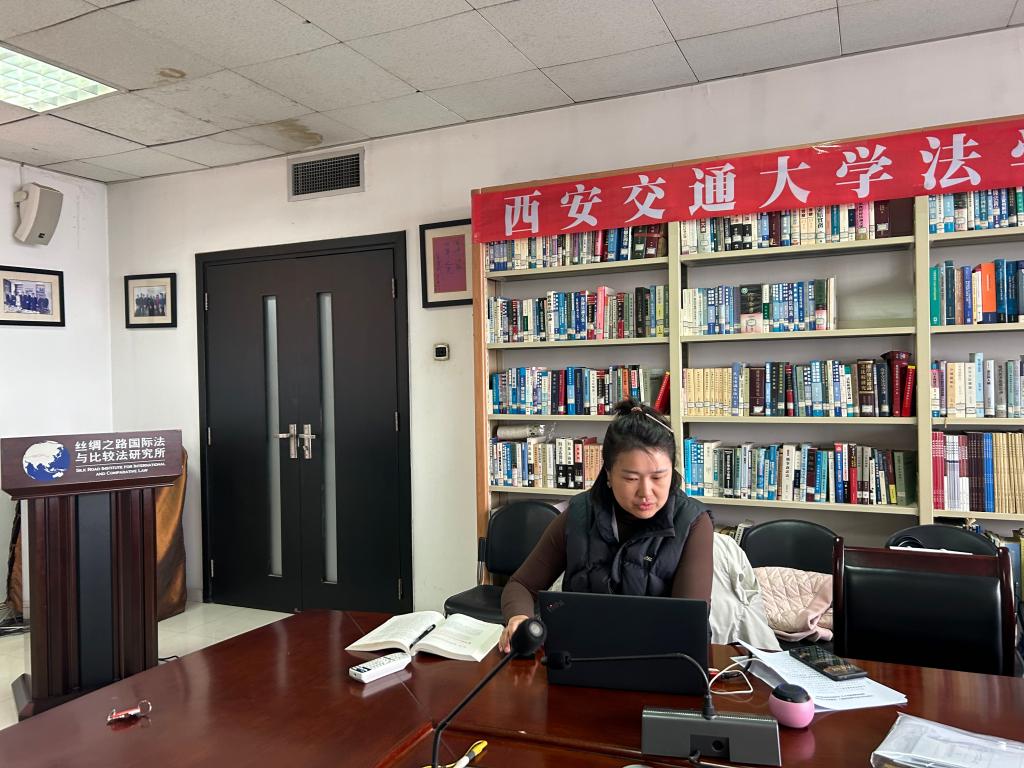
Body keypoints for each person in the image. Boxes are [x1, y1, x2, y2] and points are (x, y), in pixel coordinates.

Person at [498, 398, 713, 652]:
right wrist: (518, 618)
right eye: (631, 478)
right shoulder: (580, 513)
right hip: (579, 655)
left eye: (658, 477)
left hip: (658, 659)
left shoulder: (693, 523)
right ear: (609, 475)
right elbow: (521, 585)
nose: (646, 492)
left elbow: (688, 624)